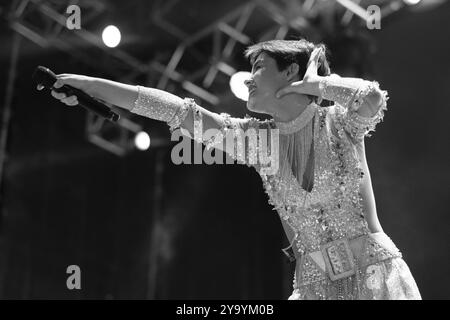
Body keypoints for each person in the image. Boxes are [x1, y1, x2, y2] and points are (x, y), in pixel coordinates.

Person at [38, 39, 421, 300]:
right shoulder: (257, 142)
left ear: (291, 72)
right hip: (314, 288)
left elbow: (370, 98)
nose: (248, 77)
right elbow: (176, 111)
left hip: (377, 280)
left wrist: (320, 84)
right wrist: (90, 85)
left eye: (258, 66)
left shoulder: (338, 123)